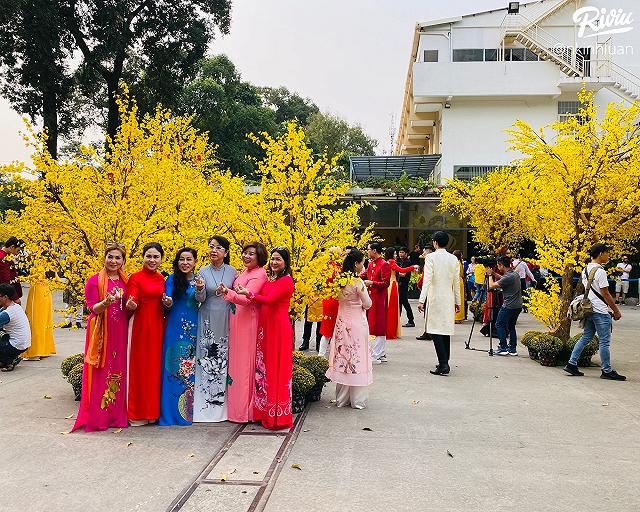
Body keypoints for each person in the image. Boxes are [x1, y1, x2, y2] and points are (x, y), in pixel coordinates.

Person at [235, 247, 294, 430]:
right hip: (265, 327)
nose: (274, 262)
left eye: (278, 260)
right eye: (273, 259)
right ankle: (263, 412)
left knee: (276, 369)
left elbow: (270, 300)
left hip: (278, 329)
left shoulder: (286, 281)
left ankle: (278, 416)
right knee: (264, 369)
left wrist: (249, 294)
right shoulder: (271, 279)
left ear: (285, 262)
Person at [72, 243, 128, 432]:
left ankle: (115, 416)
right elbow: (92, 309)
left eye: (117, 257)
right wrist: (105, 302)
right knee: (101, 371)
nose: (113, 261)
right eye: (110, 257)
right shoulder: (94, 280)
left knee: (118, 370)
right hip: (101, 331)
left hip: (120, 330)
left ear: (123, 260)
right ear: (104, 258)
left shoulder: (125, 281)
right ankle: (99, 416)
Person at [220, 242, 268, 423]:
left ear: (259, 257)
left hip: (248, 322)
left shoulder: (260, 274)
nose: (247, 256)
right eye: (245, 253)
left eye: (251, 254)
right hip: (237, 320)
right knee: (236, 365)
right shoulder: (245, 272)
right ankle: (234, 409)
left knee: (244, 365)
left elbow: (247, 299)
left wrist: (228, 293)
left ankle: (244, 412)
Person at [564, 244, 626, 381]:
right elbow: (606, 294)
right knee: (604, 342)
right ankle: (607, 370)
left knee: (586, 337)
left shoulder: (586, 269)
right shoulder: (600, 271)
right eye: (607, 253)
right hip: (600, 311)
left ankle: (571, 363)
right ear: (601, 253)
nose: (608, 256)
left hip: (589, 309)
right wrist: (616, 310)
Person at [194, 236, 236, 422]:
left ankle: (222, 405)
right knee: (207, 357)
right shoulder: (202, 271)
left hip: (226, 317)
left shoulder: (233, 271)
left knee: (223, 356)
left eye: (218, 248)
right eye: (211, 247)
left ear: (225, 252)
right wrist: (200, 289)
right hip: (207, 318)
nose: (213, 250)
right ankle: (205, 404)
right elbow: (200, 299)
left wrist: (228, 291)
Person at [325, 249, 373, 409]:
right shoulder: (357, 282)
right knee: (357, 357)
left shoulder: (338, 280)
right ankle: (357, 400)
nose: (363, 265)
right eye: (362, 262)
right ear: (356, 264)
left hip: (341, 323)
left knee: (343, 356)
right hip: (357, 323)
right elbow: (368, 304)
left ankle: (342, 398)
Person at [126, 242, 166, 426]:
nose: (152, 260)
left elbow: (165, 302)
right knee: (140, 368)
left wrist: (167, 302)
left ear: (161, 259)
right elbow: (131, 297)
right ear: (142, 257)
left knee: (154, 369)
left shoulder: (161, 279)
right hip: (141, 326)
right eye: (148, 256)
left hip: (158, 326)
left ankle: (152, 413)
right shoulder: (135, 277)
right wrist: (131, 303)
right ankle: (137, 413)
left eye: (155, 257)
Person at [159, 248, 199, 426]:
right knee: (172, 368)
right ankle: (169, 413)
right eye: (181, 259)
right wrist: (167, 301)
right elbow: (167, 297)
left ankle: (187, 413)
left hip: (193, 329)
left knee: (189, 370)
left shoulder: (199, 280)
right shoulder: (171, 279)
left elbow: (202, 299)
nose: (185, 263)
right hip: (175, 328)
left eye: (188, 259)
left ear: (195, 262)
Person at [418, 231, 461, 376]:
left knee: (436, 330)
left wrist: (421, 300)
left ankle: (443, 364)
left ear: (435, 242)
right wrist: (458, 301)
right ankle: (445, 361)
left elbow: (427, 280)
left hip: (435, 297)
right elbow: (456, 282)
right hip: (448, 297)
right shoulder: (453, 259)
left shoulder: (430, 257)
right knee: (445, 330)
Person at [362, 242, 391, 364]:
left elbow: (386, 283)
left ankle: (377, 354)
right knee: (373, 324)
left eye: (368, 250)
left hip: (379, 298)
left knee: (379, 324)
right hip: (371, 297)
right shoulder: (370, 263)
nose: (367, 252)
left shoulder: (384, 264)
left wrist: (372, 283)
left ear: (374, 251)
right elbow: (365, 275)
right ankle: (380, 352)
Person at [487, 256, 522, 356]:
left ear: (501, 265)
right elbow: (503, 279)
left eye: (498, 265)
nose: (497, 267)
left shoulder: (508, 277)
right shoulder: (514, 274)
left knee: (499, 324)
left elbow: (492, 286)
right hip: (518, 305)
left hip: (509, 305)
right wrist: (494, 274)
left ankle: (503, 347)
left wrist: (490, 276)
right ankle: (512, 349)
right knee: (511, 326)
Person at [384, 247, 416, 339]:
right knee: (394, 307)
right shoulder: (392, 262)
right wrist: (413, 267)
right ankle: (392, 330)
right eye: (395, 254)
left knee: (393, 307)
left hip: (389, 285)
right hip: (393, 285)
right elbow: (402, 270)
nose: (396, 255)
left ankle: (390, 328)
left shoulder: (386, 262)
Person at [22, 280, 56, 360]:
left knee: (35, 320)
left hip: (37, 292)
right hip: (46, 290)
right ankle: (44, 349)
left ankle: (35, 352)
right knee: (44, 320)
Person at [0, 283, 31, 372]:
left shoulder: (8, 313)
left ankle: (9, 360)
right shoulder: (15, 306)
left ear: (5, 297)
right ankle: (6, 359)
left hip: (16, 345)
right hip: (22, 344)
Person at [318, 248, 342, 357]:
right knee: (335, 330)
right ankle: (333, 355)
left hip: (327, 299)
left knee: (327, 330)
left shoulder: (325, 267)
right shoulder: (336, 268)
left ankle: (321, 354)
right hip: (334, 300)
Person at [396, 247, 417, 328]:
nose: (400, 254)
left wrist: (394, 273)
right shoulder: (400, 261)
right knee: (400, 303)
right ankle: (398, 320)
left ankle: (411, 320)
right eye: (399, 252)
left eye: (402, 252)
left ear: (406, 253)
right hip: (400, 285)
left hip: (403, 285)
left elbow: (403, 274)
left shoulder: (407, 262)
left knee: (405, 303)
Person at [0, 237, 24, 304]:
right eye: (18, 251)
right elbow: (5, 280)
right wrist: (15, 297)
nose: (18, 253)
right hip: (5, 295)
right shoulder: (3, 258)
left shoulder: (5, 256)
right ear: (12, 247)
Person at [452, 250, 466, 323]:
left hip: (456, 281)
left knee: (457, 299)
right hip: (459, 281)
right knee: (459, 299)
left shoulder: (455, 263)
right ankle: (458, 317)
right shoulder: (458, 263)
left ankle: (457, 317)